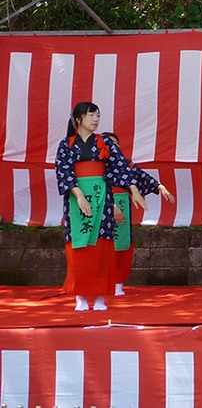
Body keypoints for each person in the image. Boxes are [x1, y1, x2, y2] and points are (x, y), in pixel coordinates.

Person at [55, 102, 136, 311]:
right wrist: (78, 194)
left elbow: (122, 167)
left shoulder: (105, 143)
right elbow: (63, 172)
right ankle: (80, 295)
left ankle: (100, 296)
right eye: (91, 115)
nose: (96, 119)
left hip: (102, 197)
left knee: (102, 246)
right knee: (79, 247)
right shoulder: (67, 144)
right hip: (76, 196)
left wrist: (135, 188)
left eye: (98, 115)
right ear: (79, 118)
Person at [104, 132, 175, 296]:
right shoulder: (98, 165)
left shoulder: (126, 165)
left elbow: (141, 176)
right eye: (110, 144)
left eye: (116, 144)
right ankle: (103, 282)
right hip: (103, 202)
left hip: (122, 200)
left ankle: (118, 282)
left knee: (123, 243)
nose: (114, 147)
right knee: (103, 244)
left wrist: (159, 187)